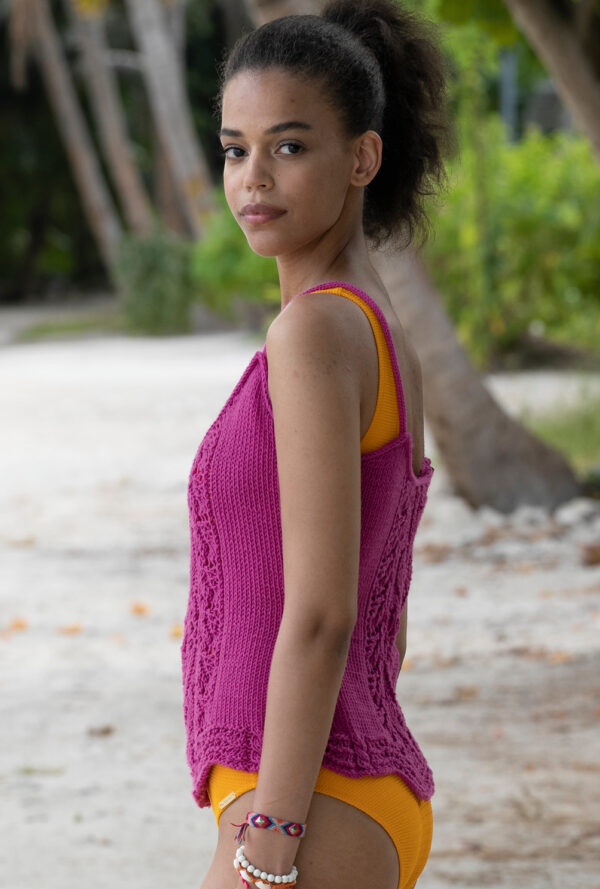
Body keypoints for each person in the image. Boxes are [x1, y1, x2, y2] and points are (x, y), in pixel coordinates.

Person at [181, 2, 453, 887]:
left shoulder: (315, 332)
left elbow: (327, 611)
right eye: (236, 149)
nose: (253, 178)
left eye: (289, 146)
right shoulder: (377, 331)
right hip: (346, 790)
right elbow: (385, 612)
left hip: (308, 803)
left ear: (362, 158)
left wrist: (270, 834)